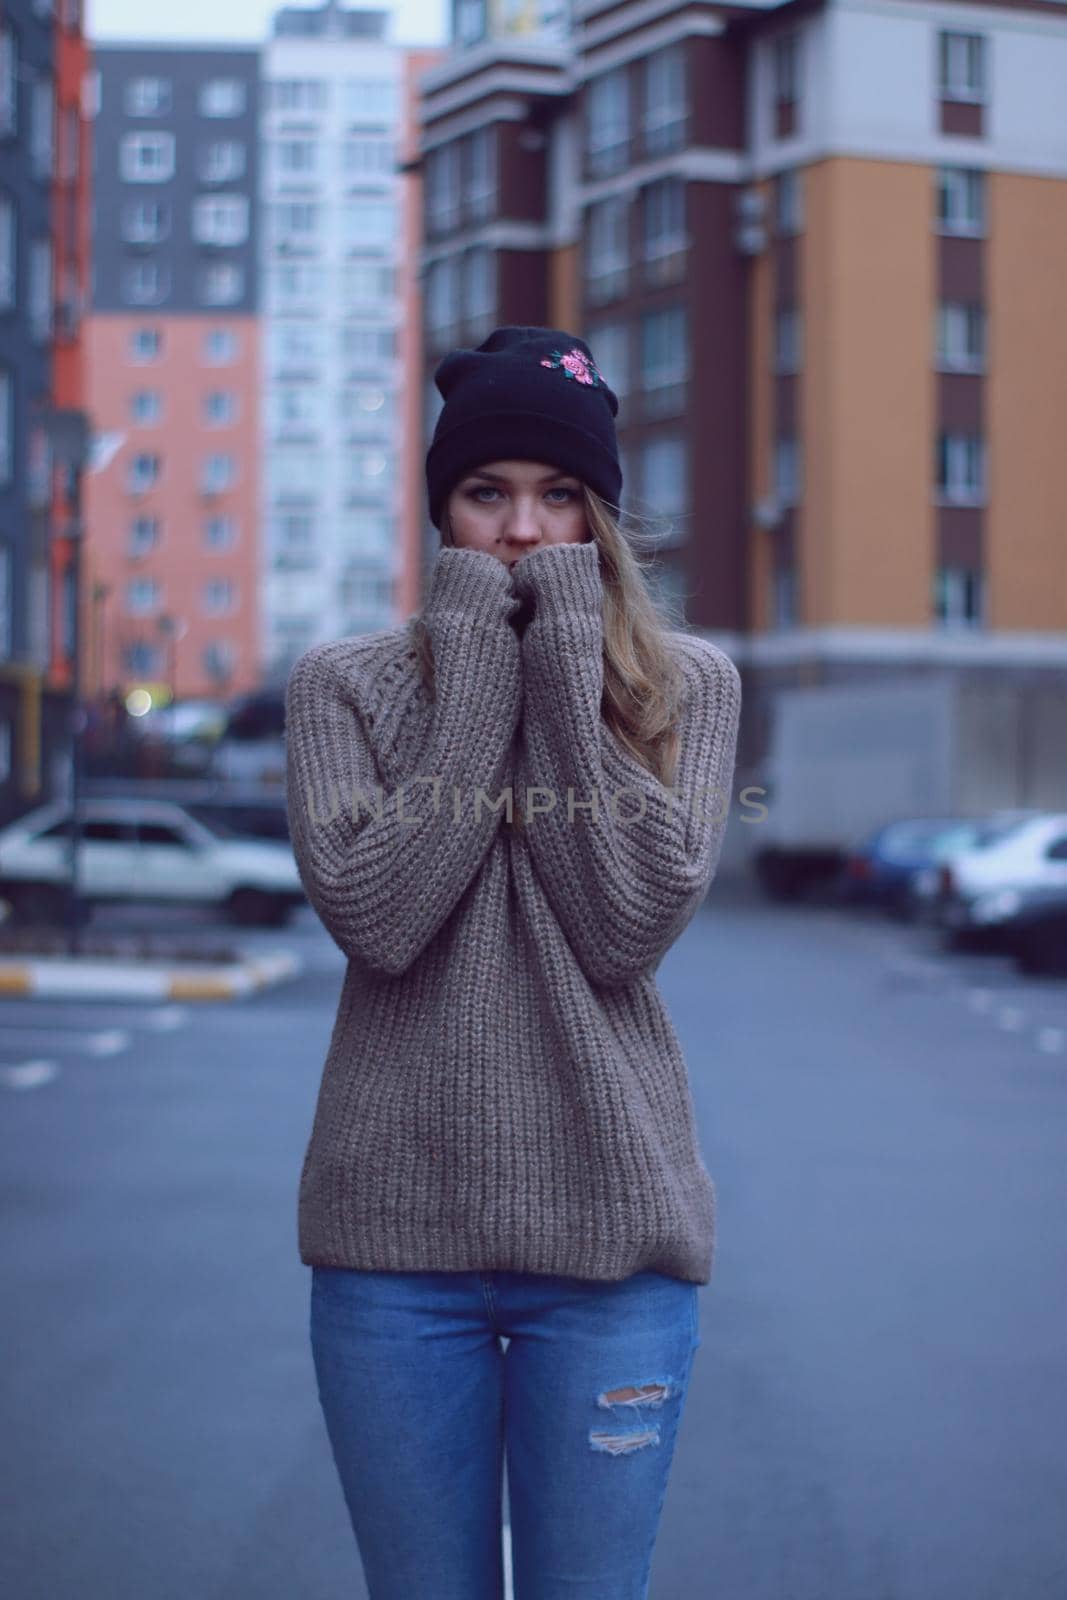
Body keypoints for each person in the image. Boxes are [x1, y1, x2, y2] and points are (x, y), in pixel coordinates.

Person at [284, 326, 742, 1599]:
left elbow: (624, 921)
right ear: (442, 507)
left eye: (558, 497)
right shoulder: (343, 686)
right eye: (486, 494)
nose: (523, 530)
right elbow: (381, 913)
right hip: (390, 1256)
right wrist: (484, 665)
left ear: (599, 514)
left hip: (611, 1256)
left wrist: (561, 671)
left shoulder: (685, 690)